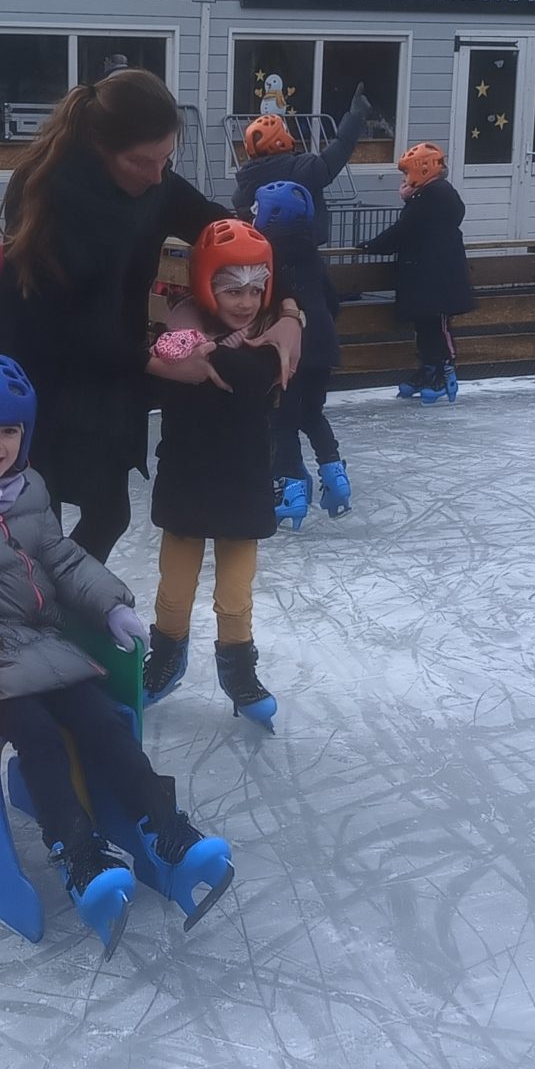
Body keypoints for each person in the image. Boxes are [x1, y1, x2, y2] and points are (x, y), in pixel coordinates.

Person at [0, 352, 234, 952]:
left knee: (104, 721)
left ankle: (164, 830)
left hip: (41, 643)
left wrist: (110, 605)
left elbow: (60, 559)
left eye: (9, 431)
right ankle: (78, 852)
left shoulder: (27, 488)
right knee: (39, 737)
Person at [0, 69, 225, 561]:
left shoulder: (152, 183)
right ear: (98, 146)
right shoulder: (49, 190)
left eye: (166, 159)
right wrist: (157, 363)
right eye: (142, 161)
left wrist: (289, 309)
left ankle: (65, 596)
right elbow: (58, 323)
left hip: (107, 377)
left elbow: (218, 226)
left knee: (110, 514)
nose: (157, 175)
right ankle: (43, 600)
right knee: (39, 520)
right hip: (37, 378)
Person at [142, 219, 302, 725]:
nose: (246, 302)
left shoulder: (272, 332)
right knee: (174, 589)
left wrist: (291, 319)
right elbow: (158, 364)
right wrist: (165, 360)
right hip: (186, 476)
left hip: (243, 480)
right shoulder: (178, 328)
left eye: (257, 289)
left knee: (235, 595)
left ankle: (238, 670)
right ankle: (166, 657)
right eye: (233, 289)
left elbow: (251, 377)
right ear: (205, 283)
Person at [251, 179, 350, 522]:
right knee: (311, 415)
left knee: (281, 421)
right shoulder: (311, 253)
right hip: (323, 348)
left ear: (270, 216)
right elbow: (333, 301)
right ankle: (335, 473)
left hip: (290, 351)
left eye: (256, 211)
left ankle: (289, 488)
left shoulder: (267, 255)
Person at [367, 144, 476, 402]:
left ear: (422, 170)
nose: (404, 180)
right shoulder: (426, 196)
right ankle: (428, 369)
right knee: (425, 326)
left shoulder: (434, 196)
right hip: (425, 275)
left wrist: (373, 246)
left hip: (438, 278)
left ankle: (444, 372)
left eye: (407, 173)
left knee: (437, 326)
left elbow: (405, 230)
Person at [231, 83, 373, 237]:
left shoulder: (245, 184)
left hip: (264, 246)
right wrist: (356, 116)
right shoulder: (304, 167)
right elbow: (341, 147)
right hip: (304, 243)